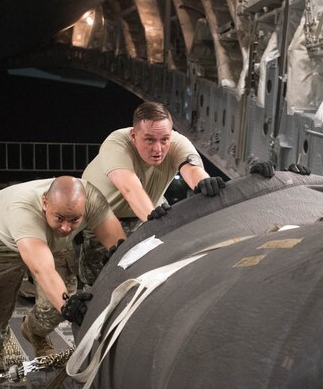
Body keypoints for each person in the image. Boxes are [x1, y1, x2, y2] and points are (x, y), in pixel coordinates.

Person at [0, 176, 125, 373]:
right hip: (0, 242)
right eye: (60, 217)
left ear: (84, 208)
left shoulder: (91, 199)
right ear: (44, 202)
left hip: (54, 242)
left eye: (75, 220)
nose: (66, 228)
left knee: (57, 303)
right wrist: (66, 304)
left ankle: (34, 332)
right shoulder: (23, 211)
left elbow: (120, 247)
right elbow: (42, 269)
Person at [78, 101, 227, 287]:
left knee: (155, 266)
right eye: (149, 140)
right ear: (134, 135)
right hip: (106, 215)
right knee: (99, 279)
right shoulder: (116, 143)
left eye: (164, 139)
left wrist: (204, 183)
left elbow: (192, 170)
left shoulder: (176, 141)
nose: (158, 149)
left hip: (149, 209)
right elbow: (130, 189)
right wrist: (155, 223)